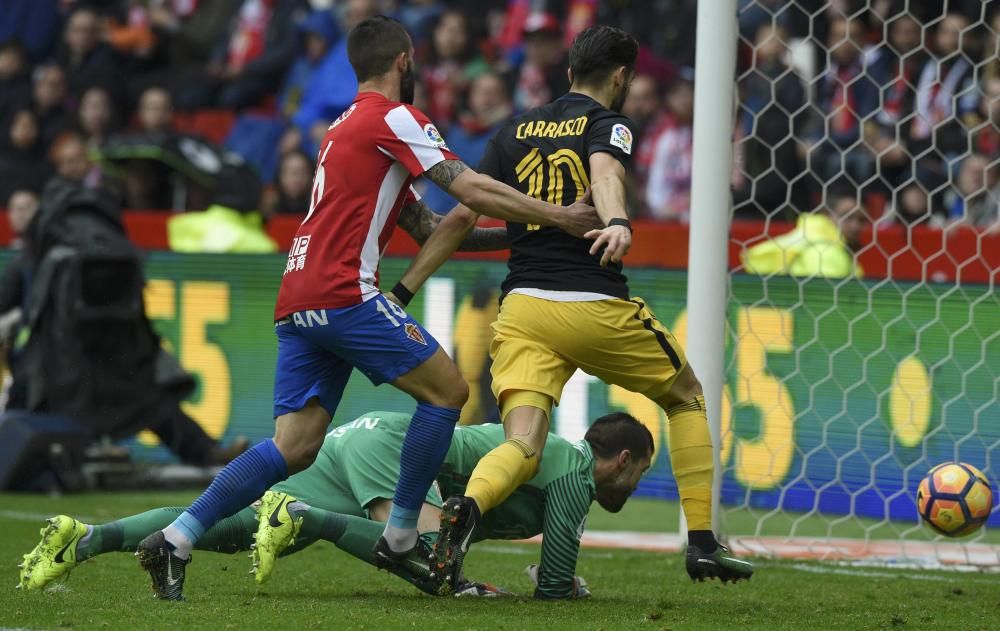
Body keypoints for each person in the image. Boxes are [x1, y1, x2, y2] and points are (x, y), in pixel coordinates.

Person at [135, 15, 599, 601]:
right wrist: (563, 216)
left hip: (298, 296)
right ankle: (403, 536)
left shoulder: (341, 130)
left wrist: (530, 232)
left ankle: (176, 537)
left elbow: (433, 225)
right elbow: (470, 190)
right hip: (342, 291)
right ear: (404, 61)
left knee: (295, 445)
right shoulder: (395, 118)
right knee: (448, 392)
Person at [389, 25, 754, 593]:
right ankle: (704, 542)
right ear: (621, 78)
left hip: (523, 310)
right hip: (590, 303)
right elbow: (606, 173)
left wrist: (408, 287)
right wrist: (617, 222)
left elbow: (462, 215)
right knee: (686, 396)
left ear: (567, 74)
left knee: (523, 446)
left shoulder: (514, 130)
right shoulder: (608, 124)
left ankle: (468, 510)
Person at [19, 410, 652, 600]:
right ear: (621, 460)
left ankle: (86, 537)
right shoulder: (574, 471)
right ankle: (306, 518)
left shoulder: (556, 459)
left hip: (367, 437)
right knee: (433, 565)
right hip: (398, 449)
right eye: (638, 473)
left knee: (232, 528)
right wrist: (559, 585)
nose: (633, 486)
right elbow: (560, 583)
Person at [741, 190, 866, 279]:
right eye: (847, 216)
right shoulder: (825, 251)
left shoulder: (811, 241)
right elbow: (826, 301)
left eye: (861, 220)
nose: (856, 226)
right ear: (826, 214)